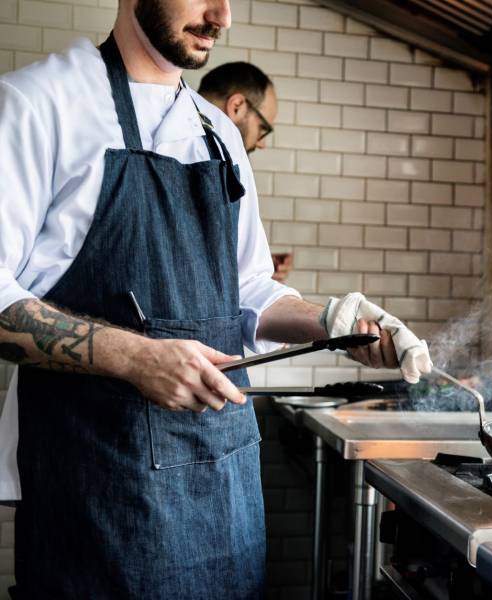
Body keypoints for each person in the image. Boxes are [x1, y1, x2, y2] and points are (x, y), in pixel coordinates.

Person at [0, 0, 431, 597]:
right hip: (98, 497)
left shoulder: (218, 134)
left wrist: (332, 320)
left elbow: (247, 289)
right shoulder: (38, 104)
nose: (221, 16)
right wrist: (136, 358)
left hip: (223, 496)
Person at [198, 61, 292, 282]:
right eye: (263, 129)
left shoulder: (225, 163)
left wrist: (253, 267)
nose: (261, 144)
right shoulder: (204, 161)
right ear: (237, 106)